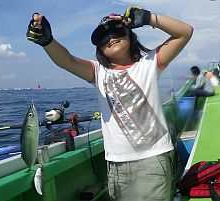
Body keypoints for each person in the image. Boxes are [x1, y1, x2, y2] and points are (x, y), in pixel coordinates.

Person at [26, 6, 193, 201]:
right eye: (103, 38)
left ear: (131, 35)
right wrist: (48, 41)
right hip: (115, 163)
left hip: (152, 159)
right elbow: (67, 60)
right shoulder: (98, 72)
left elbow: (184, 33)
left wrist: (149, 18)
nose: (111, 37)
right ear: (100, 50)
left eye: (117, 31)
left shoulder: (149, 62)